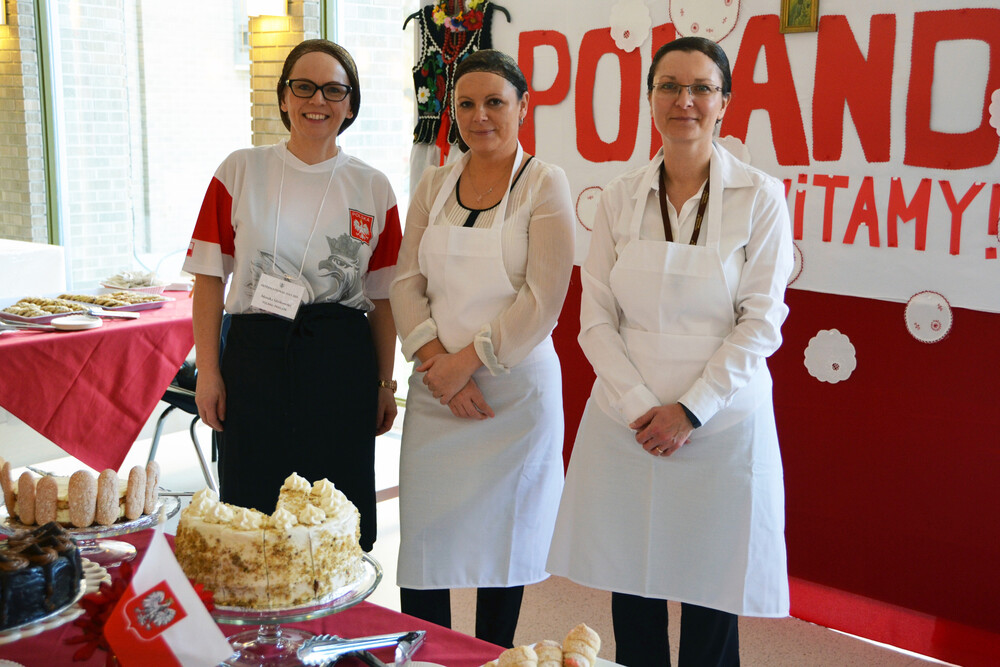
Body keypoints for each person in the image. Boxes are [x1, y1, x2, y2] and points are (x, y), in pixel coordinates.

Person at [546, 36, 793, 666]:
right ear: (650, 98)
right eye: (669, 86)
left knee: (713, 591)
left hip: (722, 424)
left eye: (701, 88)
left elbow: (761, 323)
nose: (684, 101)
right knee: (634, 583)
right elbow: (595, 318)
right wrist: (639, 406)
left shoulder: (760, 198)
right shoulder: (620, 196)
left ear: (724, 104)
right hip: (627, 422)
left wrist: (689, 412)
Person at [183, 39, 401, 552]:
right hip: (255, 358)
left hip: (340, 361)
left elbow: (384, 298)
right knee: (254, 508)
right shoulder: (240, 169)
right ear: (283, 98)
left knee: (336, 510)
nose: (316, 101)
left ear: (350, 104)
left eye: (333, 90)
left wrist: (385, 384)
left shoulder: (373, 187)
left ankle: (337, 619)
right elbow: (209, 279)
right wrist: (209, 373)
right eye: (303, 87)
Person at [389, 49, 574, 648]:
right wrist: (436, 365)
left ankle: (493, 657)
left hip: (514, 397)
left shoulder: (545, 184)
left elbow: (543, 298)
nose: (479, 115)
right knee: (423, 544)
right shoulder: (434, 182)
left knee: (503, 545)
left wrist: (465, 364)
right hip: (435, 387)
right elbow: (404, 282)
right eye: (465, 103)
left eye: (495, 101)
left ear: (524, 105)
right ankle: (427, 658)